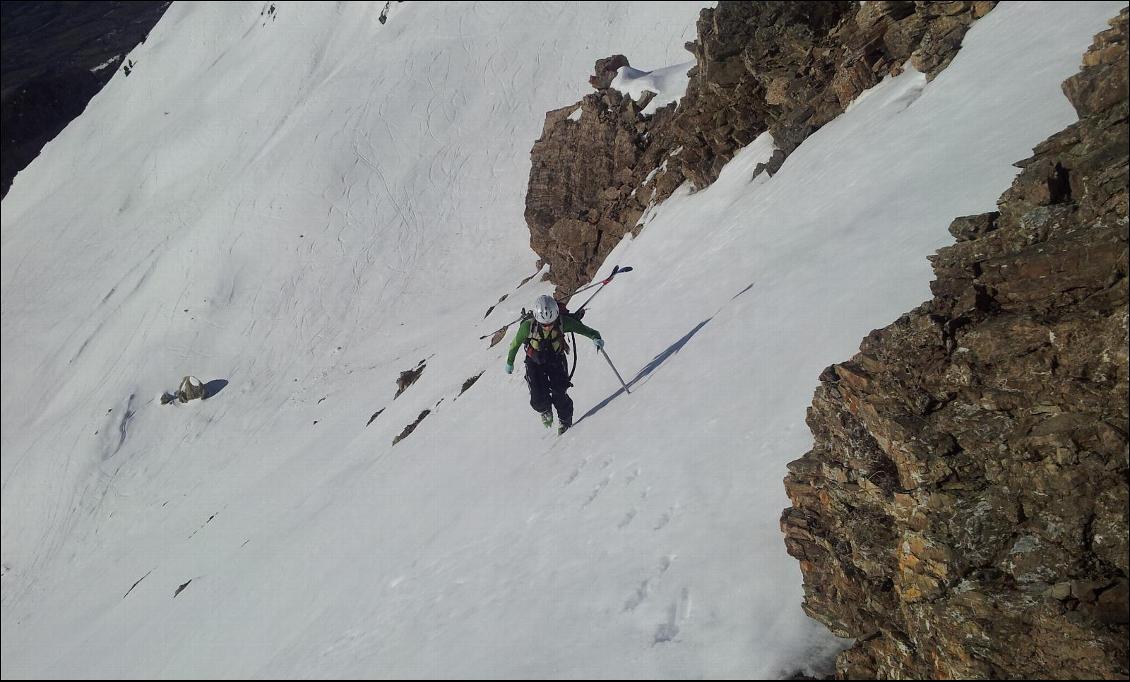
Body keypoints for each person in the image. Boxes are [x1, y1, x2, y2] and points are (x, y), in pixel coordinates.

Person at [505, 295, 604, 434]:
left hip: (556, 359)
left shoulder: (563, 322)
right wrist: (509, 362)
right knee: (537, 396)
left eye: (551, 322)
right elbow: (514, 344)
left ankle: (565, 420)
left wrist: (595, 337)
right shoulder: (528, 327)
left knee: (560, 391)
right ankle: (545, 410)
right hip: (535, 361)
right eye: (544, 324)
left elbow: (584, 329)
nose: (548, 326)